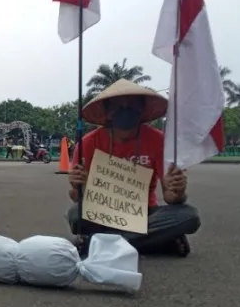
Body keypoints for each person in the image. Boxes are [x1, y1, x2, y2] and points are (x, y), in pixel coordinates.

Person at [66, 79, 200, 257]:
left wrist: (178, 192)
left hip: (146, 214)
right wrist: (77, 186)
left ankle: (99, 243)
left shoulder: (159, 140)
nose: (125, 109)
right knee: (76, 214)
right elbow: (77, 197)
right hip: (104, 212)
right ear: (108, 111)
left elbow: (171, 197)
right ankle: (156, 242)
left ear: (142, 109)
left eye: (131, 104)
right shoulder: (88, 143)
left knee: (189, 216)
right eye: (118, 105)